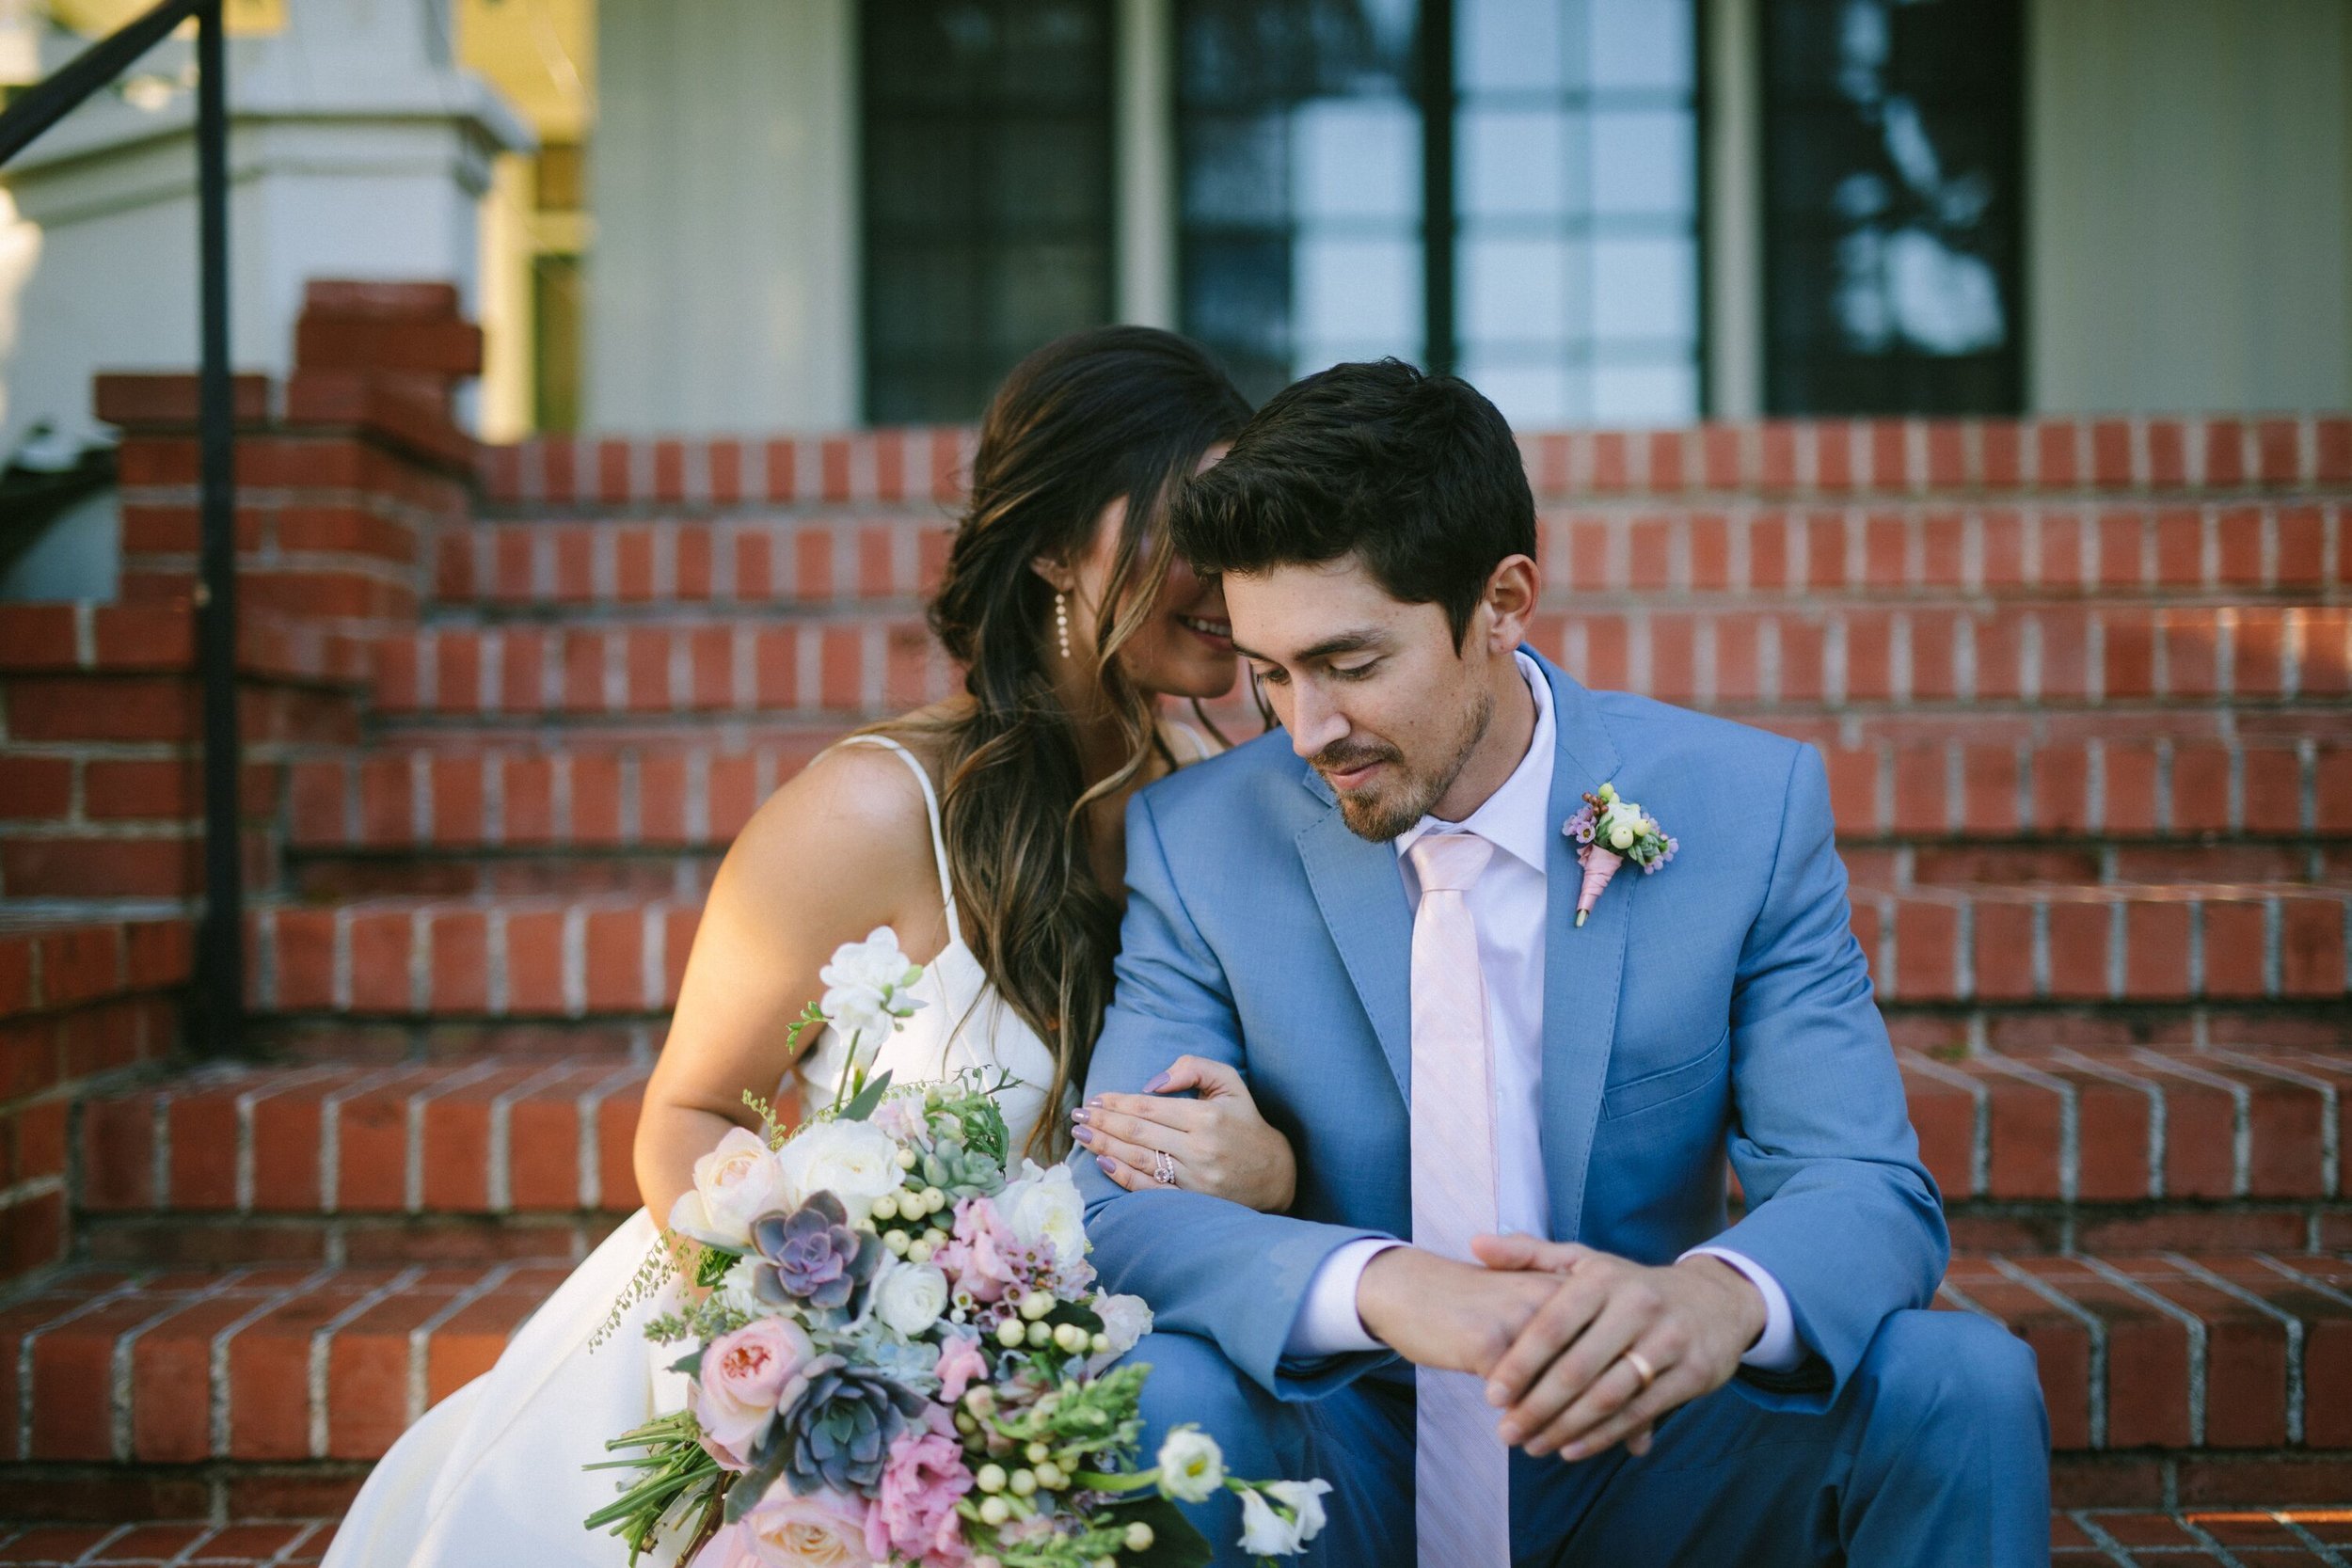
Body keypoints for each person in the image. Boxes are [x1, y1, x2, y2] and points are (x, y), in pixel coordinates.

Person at [320, 326, 1295, 1567]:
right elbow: (686, 1112)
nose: (1228, 569)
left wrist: (1260, 1163)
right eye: (1185, 524)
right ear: (1054, 539)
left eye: (1241, 525)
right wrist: (823, 1360)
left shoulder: (1218, 800)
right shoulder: (873, 809)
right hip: (824, 1394)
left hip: (1071, 1406)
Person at [1070, 358, 2052, 1567]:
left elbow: (1865, 1184)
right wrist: (1388, 1285)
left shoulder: (1744, 806)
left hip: (1643, 1457)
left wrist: (1713, 1299)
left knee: (1960, 1378)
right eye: (1271, 672)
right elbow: (1110, 1209)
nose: (1303, 729)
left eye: (1351, 663)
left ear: (1504, 600)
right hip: (1345, 1454)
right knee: (1155, 1388)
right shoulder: (1204, 836)